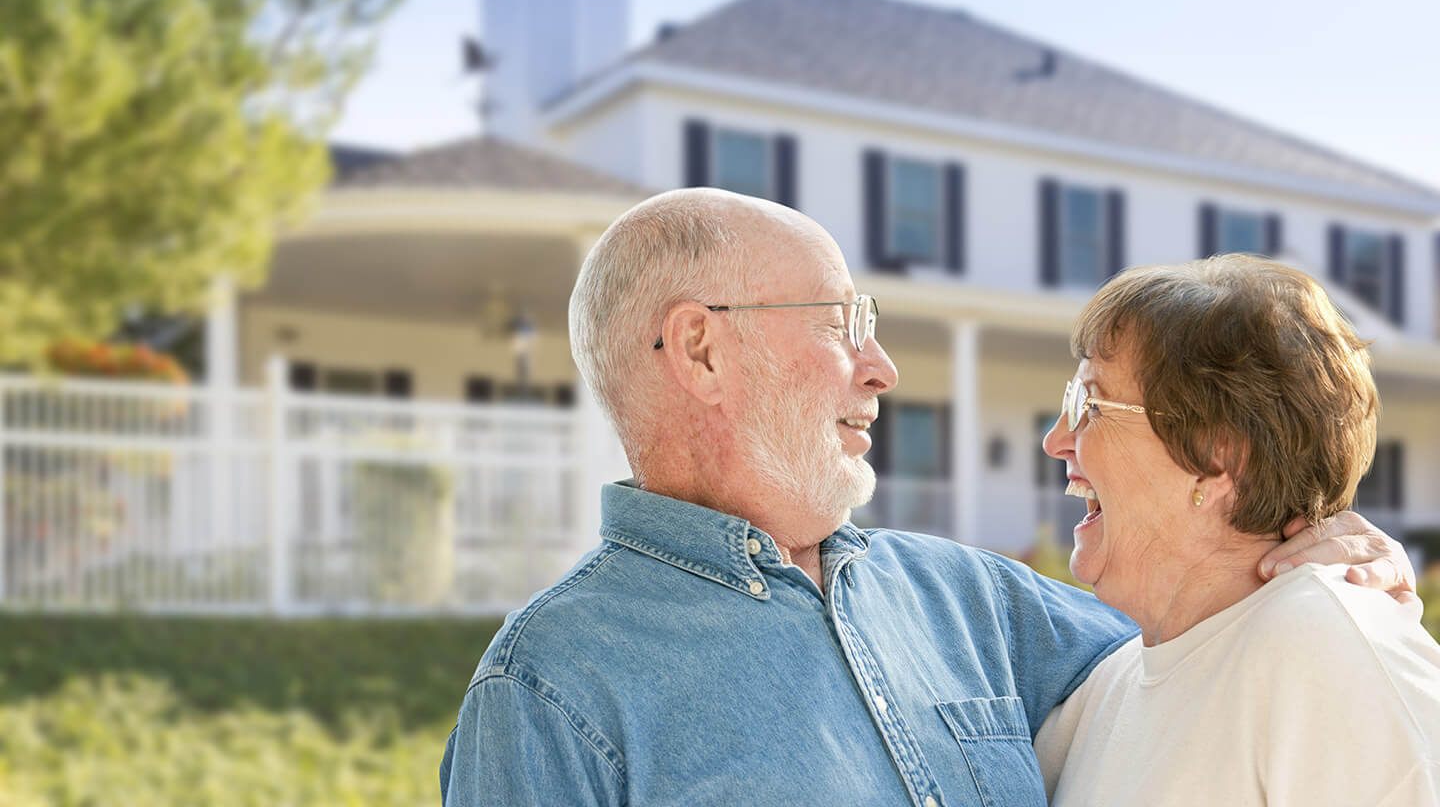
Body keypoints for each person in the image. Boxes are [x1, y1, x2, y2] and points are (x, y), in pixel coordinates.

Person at [440, 189, 1416, 806]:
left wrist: (1324, 549)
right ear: (701, 348)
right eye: (843, 322)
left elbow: (1210, 634)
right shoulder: (547, 695)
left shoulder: (974, 601)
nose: (883, 367)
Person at [1033, 254, 1440, 806]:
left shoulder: (1325, 649)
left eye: (1090, 404)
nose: (1056, 439)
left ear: (1217, 454)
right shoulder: (1102, 692)